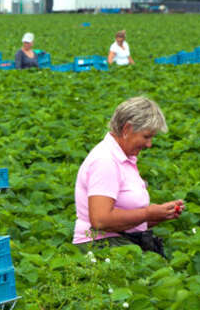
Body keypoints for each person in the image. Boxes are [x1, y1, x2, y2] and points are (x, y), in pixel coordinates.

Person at [73, 97, 183, 254]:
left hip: (117, 241)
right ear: (127, 129)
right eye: (146, 136)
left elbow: (129, 219)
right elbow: (100, 219)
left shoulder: (125, 158)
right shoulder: (105, 161)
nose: (149, 144)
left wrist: (161, 214)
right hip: (100, 245)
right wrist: (147, 213)